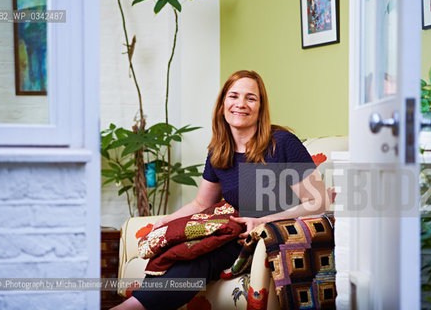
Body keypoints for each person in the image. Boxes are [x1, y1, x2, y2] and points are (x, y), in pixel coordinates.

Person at [111, 70, 330, 310]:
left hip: (271, 236)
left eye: (251, 98)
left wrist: (264, 221)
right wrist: (166, 222)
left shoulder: (283, 143)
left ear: (261, 107)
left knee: (199, 257)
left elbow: (318, 202)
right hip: (232, 230)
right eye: (233, 96)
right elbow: (201, 204)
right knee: (179, 249)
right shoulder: (219, 151)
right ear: (223, 103)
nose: (240, 104)